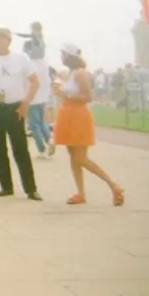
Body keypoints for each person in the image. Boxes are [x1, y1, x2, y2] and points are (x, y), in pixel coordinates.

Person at [53, 44, 125, 206]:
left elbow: (87, 96)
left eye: (63, 54)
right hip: (68, 113)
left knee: (81, 158)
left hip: (78, 115)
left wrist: (65, 93)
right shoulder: (70, 74)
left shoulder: (80, 73)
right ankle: (81, 192)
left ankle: (113, 185)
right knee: (73, 157)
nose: (61, 57)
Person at [0, 28, 42, 201]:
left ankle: (30, 188)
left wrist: (26, 103)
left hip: (14, 107)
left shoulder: (21, 59)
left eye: (2, 38)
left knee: (20, 148)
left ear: (9, 40)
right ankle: (6, 186)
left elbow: (35, 81)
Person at [29, 45, 55, 159]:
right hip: (43, 96)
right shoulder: (43, 62)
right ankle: (49, 139)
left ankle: (42, 149)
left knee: (34, 125)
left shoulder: (30, 63)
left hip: (33, 97)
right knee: (42, 121)